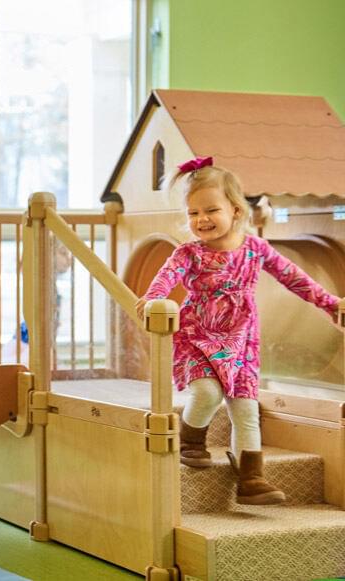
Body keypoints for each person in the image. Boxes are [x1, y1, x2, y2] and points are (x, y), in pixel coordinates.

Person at [136, 156, 344, 505]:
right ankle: (190, 438)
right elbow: (166, 276)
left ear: (235, 210)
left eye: (211, 210)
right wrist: (153, 297)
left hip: (242, 343)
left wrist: (329, 302)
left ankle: (251, 478)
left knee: (247, 412)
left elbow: (295, 278)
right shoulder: (190, 253)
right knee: (207, 394)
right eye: (193, 213)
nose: (201, 219)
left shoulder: (256, 248)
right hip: (197, 337)